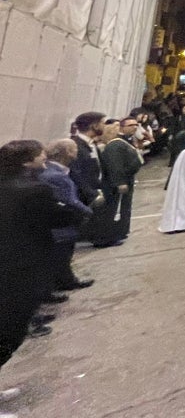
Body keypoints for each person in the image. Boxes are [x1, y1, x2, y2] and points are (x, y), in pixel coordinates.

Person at [0, 141, 81, 370]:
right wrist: (76, 213)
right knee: (13, 328)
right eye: (40, 154)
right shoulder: (34, 190)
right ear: (27, 162)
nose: (45, 156)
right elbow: (58, 217)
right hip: (24, 261)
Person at [39, 139, 94, 291]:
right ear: (67, 153)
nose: (77, 151)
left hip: (61, 221)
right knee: (62, 254)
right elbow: (69, 200)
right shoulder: (55, 176)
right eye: (74, 148)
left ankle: (66, 280)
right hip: (62, 223)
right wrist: (87, 211)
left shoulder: (55, 171)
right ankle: (63, 282)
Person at [93, 116, 144, 247]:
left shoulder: (124, 142)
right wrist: (120, 182)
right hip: (117, 183)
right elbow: (116, 165)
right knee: (113, 210)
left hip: (127, 178)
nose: (134, 127)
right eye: (130, 125)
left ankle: (118, 232)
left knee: (121, 208)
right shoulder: (115, 145)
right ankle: (107, 237)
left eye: (135, 125)